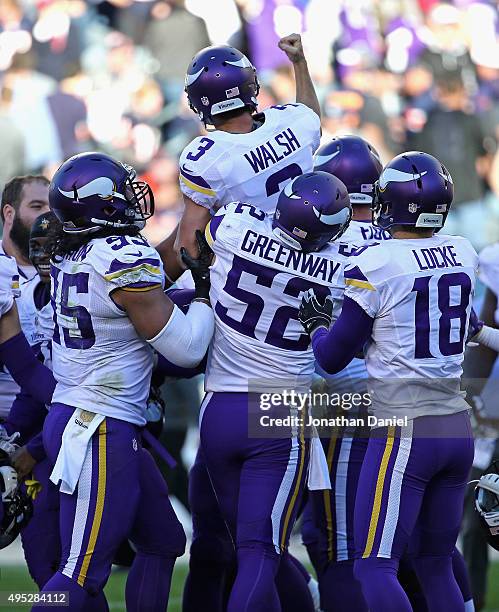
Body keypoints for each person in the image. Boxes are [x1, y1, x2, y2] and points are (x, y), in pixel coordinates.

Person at [19, 151, 214, 611]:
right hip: (98, 427)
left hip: (89, 417)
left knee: (163, 539)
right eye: (123, 191)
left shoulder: (77, 251)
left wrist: (194, 219)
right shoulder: (122, 258)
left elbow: (155, 272)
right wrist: (204, 294)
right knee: (81, 573)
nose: (133, 196)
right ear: (103, 206)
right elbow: (187, 348)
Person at [299, 152, 477, 612]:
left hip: (405, 430)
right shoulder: (462, 252)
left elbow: (333, 358)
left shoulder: (377, 263)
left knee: (372, 566)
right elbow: (463, 323)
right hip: (457, 427)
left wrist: (318, 325)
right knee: (436, 562)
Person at [201, 171, 351, 612]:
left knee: (248, 544)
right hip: (278, 414)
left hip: (218, 410)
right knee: (260, 550)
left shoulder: (234, 227)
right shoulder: (342, 268)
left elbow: (200, 233)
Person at [156, 33, 321, 280]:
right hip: (313, 258)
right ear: (250, 85)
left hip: (253, 275)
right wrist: (299, 63)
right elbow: (311, 116)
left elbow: (186, 249)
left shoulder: (207, 158)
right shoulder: (294, 120)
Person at [0, 174, 49, 417]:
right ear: (9, 213)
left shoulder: (74, 267)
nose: (48, 216)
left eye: (53, 207)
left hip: (62, 413)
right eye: (37, 206)